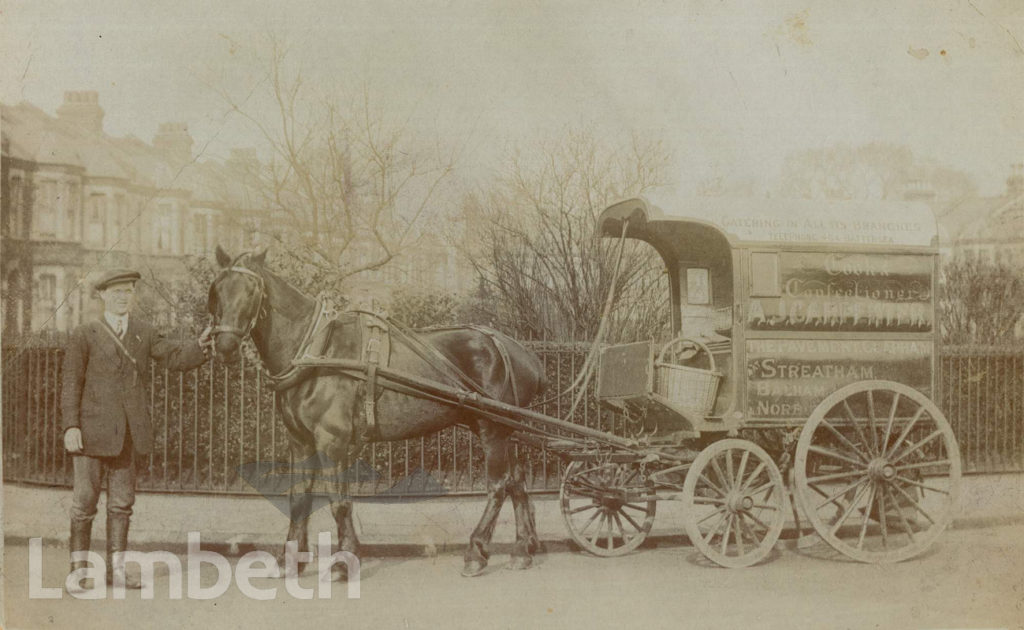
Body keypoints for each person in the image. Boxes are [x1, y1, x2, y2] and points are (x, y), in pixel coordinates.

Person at [61, 268, 214, 591]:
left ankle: (116, 571)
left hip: (129, 435)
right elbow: (71, 384)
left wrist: (200, 346)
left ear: (133, 295)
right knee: (84, 505)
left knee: (122, 505)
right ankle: (77, 572)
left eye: (128, 291)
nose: (122, 297)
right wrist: (71, 426)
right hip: (90, 434)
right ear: (102, 295)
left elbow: (173, 355)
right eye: (115, 291)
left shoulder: (144, 332)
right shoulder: (84, 333)